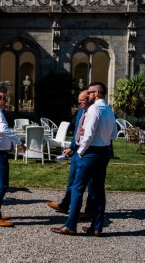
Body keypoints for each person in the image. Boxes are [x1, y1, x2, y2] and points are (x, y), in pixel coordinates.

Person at [51, 82, 117, 237]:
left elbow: (88, 135)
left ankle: (70, 225)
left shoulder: (94, 109)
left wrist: (80, 151)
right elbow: (114, 134)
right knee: (99, 191)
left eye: (90, 92)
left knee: (77, 189)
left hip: (90, 153)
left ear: (97, 93)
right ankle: (96, 227)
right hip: (104, 152)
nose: (87, 95)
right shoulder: (108, 109)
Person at [46, 90, 94, 218]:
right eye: (79, 100)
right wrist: (71, 147)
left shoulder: (94, 113)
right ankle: (64, 205)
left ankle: (89, 211)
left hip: (88, 152)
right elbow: (77, 132)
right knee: (72, 180)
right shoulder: (80, 113)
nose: (80, 102)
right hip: (77, 151)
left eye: (82, 100)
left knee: (90, 183)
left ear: (89, 99)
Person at [0, 91, 26, 227]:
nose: (6, 100)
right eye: (4, 98)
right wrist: (18, 142)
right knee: (2, 184)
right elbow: (4, 129)